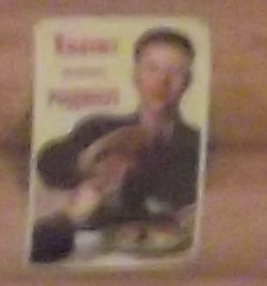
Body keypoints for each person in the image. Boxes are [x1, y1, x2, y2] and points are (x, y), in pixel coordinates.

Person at [30, 26, 205, 262]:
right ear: (135, 75)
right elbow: (49, 163)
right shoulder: (98, 127)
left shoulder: (198, 144)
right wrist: (89, 162)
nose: (162, 81)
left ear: (188, 81)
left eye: (175, 72)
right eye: (151, 68)